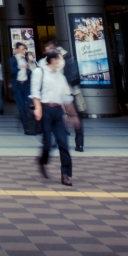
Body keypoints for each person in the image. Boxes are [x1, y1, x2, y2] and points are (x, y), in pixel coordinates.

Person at [32, 45, 77, 185]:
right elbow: (35, 92)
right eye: (59, 58)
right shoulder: (40, 72)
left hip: (58, 111)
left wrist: (72, 115)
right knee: (47, 143)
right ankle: (42, 161)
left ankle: (66, 174)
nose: (61, 61)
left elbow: (66, 96)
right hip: (45, 110)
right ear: (52, 60)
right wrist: (38, 108)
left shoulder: (61, 76)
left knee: (63, 143)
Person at [9, 45, 36, 134]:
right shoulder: (12, 59)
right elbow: (12, 70)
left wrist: (30, 64)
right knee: (21, 107)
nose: (22, 51)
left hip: (26, 85)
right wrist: (21, 66)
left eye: (23, 49)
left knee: (29, 105)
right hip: (18, 85)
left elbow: (33, 70)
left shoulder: (26, 58)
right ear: (16, 50)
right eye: (20, 49)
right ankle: (26, 127)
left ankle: (32, 124)